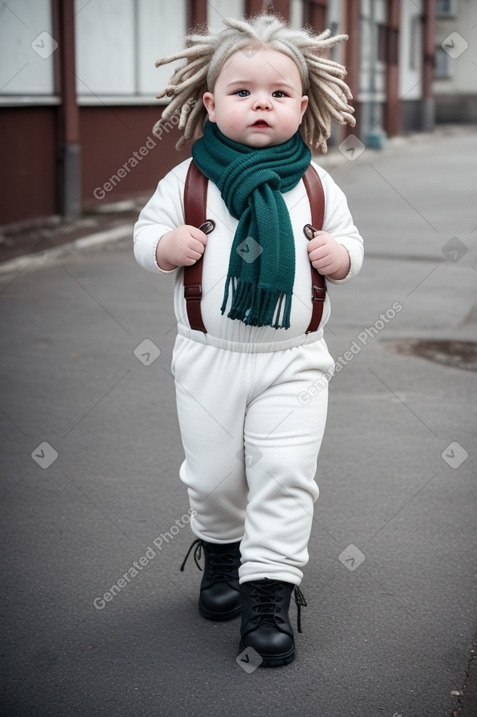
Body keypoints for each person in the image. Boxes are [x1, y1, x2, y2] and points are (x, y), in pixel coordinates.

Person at [133, 13, 363, 667]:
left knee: (285, 474)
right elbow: (145, 237)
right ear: (209, 103)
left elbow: (352, 243)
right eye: (242, 91)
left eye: (278, 92)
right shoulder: (186, 181)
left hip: (294, 360)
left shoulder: (316, 184)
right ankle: (222, 554)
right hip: (208, 358)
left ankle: (268, 592)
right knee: (213, 477)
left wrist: (339, 256)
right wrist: (165, 245)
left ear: (303, 104)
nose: (261, 101)